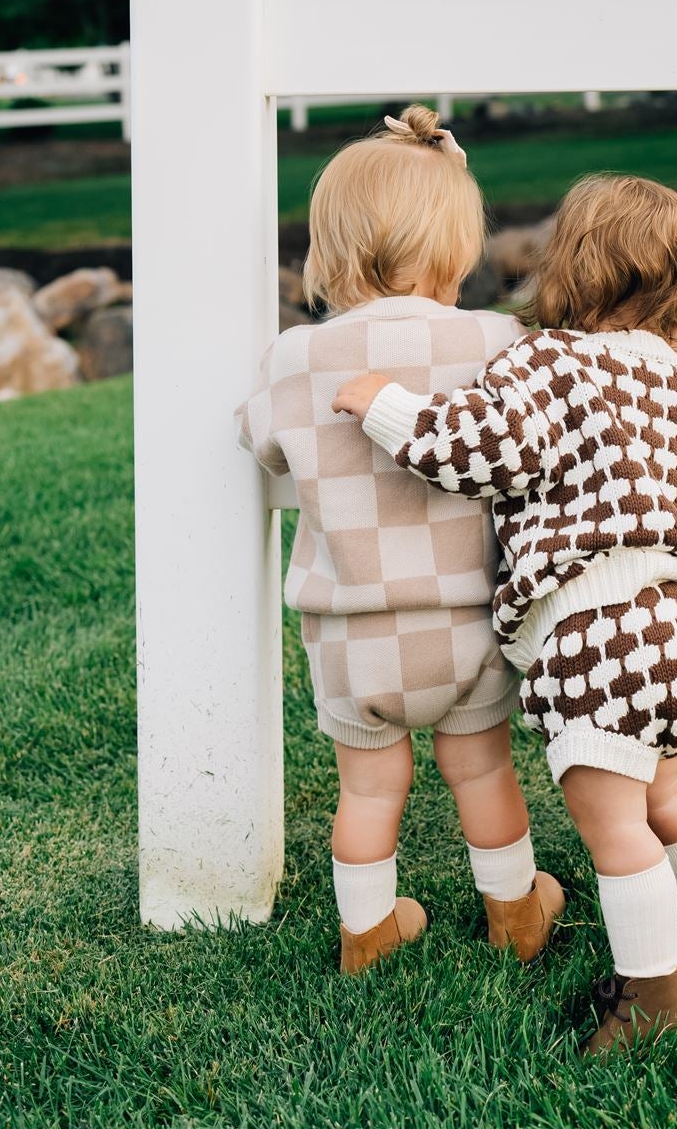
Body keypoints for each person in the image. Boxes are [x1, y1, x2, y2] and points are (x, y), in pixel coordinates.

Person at [333, 173, 677, 1050]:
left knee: (616, 829)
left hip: (598, 635)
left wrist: (379, 404)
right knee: (667, 795)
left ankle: (652, 996)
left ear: (567, 266)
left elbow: (478, 451)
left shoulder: (546, 362)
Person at [237, 106, 563, 974]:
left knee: (368, 788)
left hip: (352, 633)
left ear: (329, 247)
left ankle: (369, 937)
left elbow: (259, 440)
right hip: (467, 624)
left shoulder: (297, 356)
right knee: (482, 773)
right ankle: (515, 914)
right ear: (459, 246)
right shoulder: (499, 340)